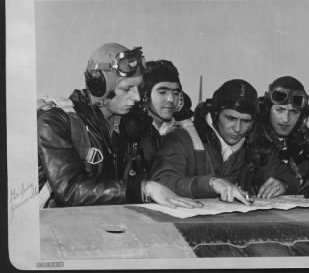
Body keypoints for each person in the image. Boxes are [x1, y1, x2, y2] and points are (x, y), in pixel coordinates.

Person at [37, 42, 202, 209]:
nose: (137, 97)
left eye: (139, 88)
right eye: (127, 88)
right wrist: (142, 189)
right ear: (99, 87)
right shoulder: (56, 122)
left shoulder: (133, 127)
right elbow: (70, 191)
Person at [151, 79, 288, 205]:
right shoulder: (181, 138)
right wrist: (211, 183)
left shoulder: (254, 144)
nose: (237, 128)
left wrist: (283, 183)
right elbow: (162, 182)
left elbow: (288, 175)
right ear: (215, 114)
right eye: (230, 118)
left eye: (245, 121)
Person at [122, 60, 194, 173]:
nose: (170, 99)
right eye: (162, 92)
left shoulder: (183, 129)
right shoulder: (130, 132)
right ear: (145, 95)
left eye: (175, 93)